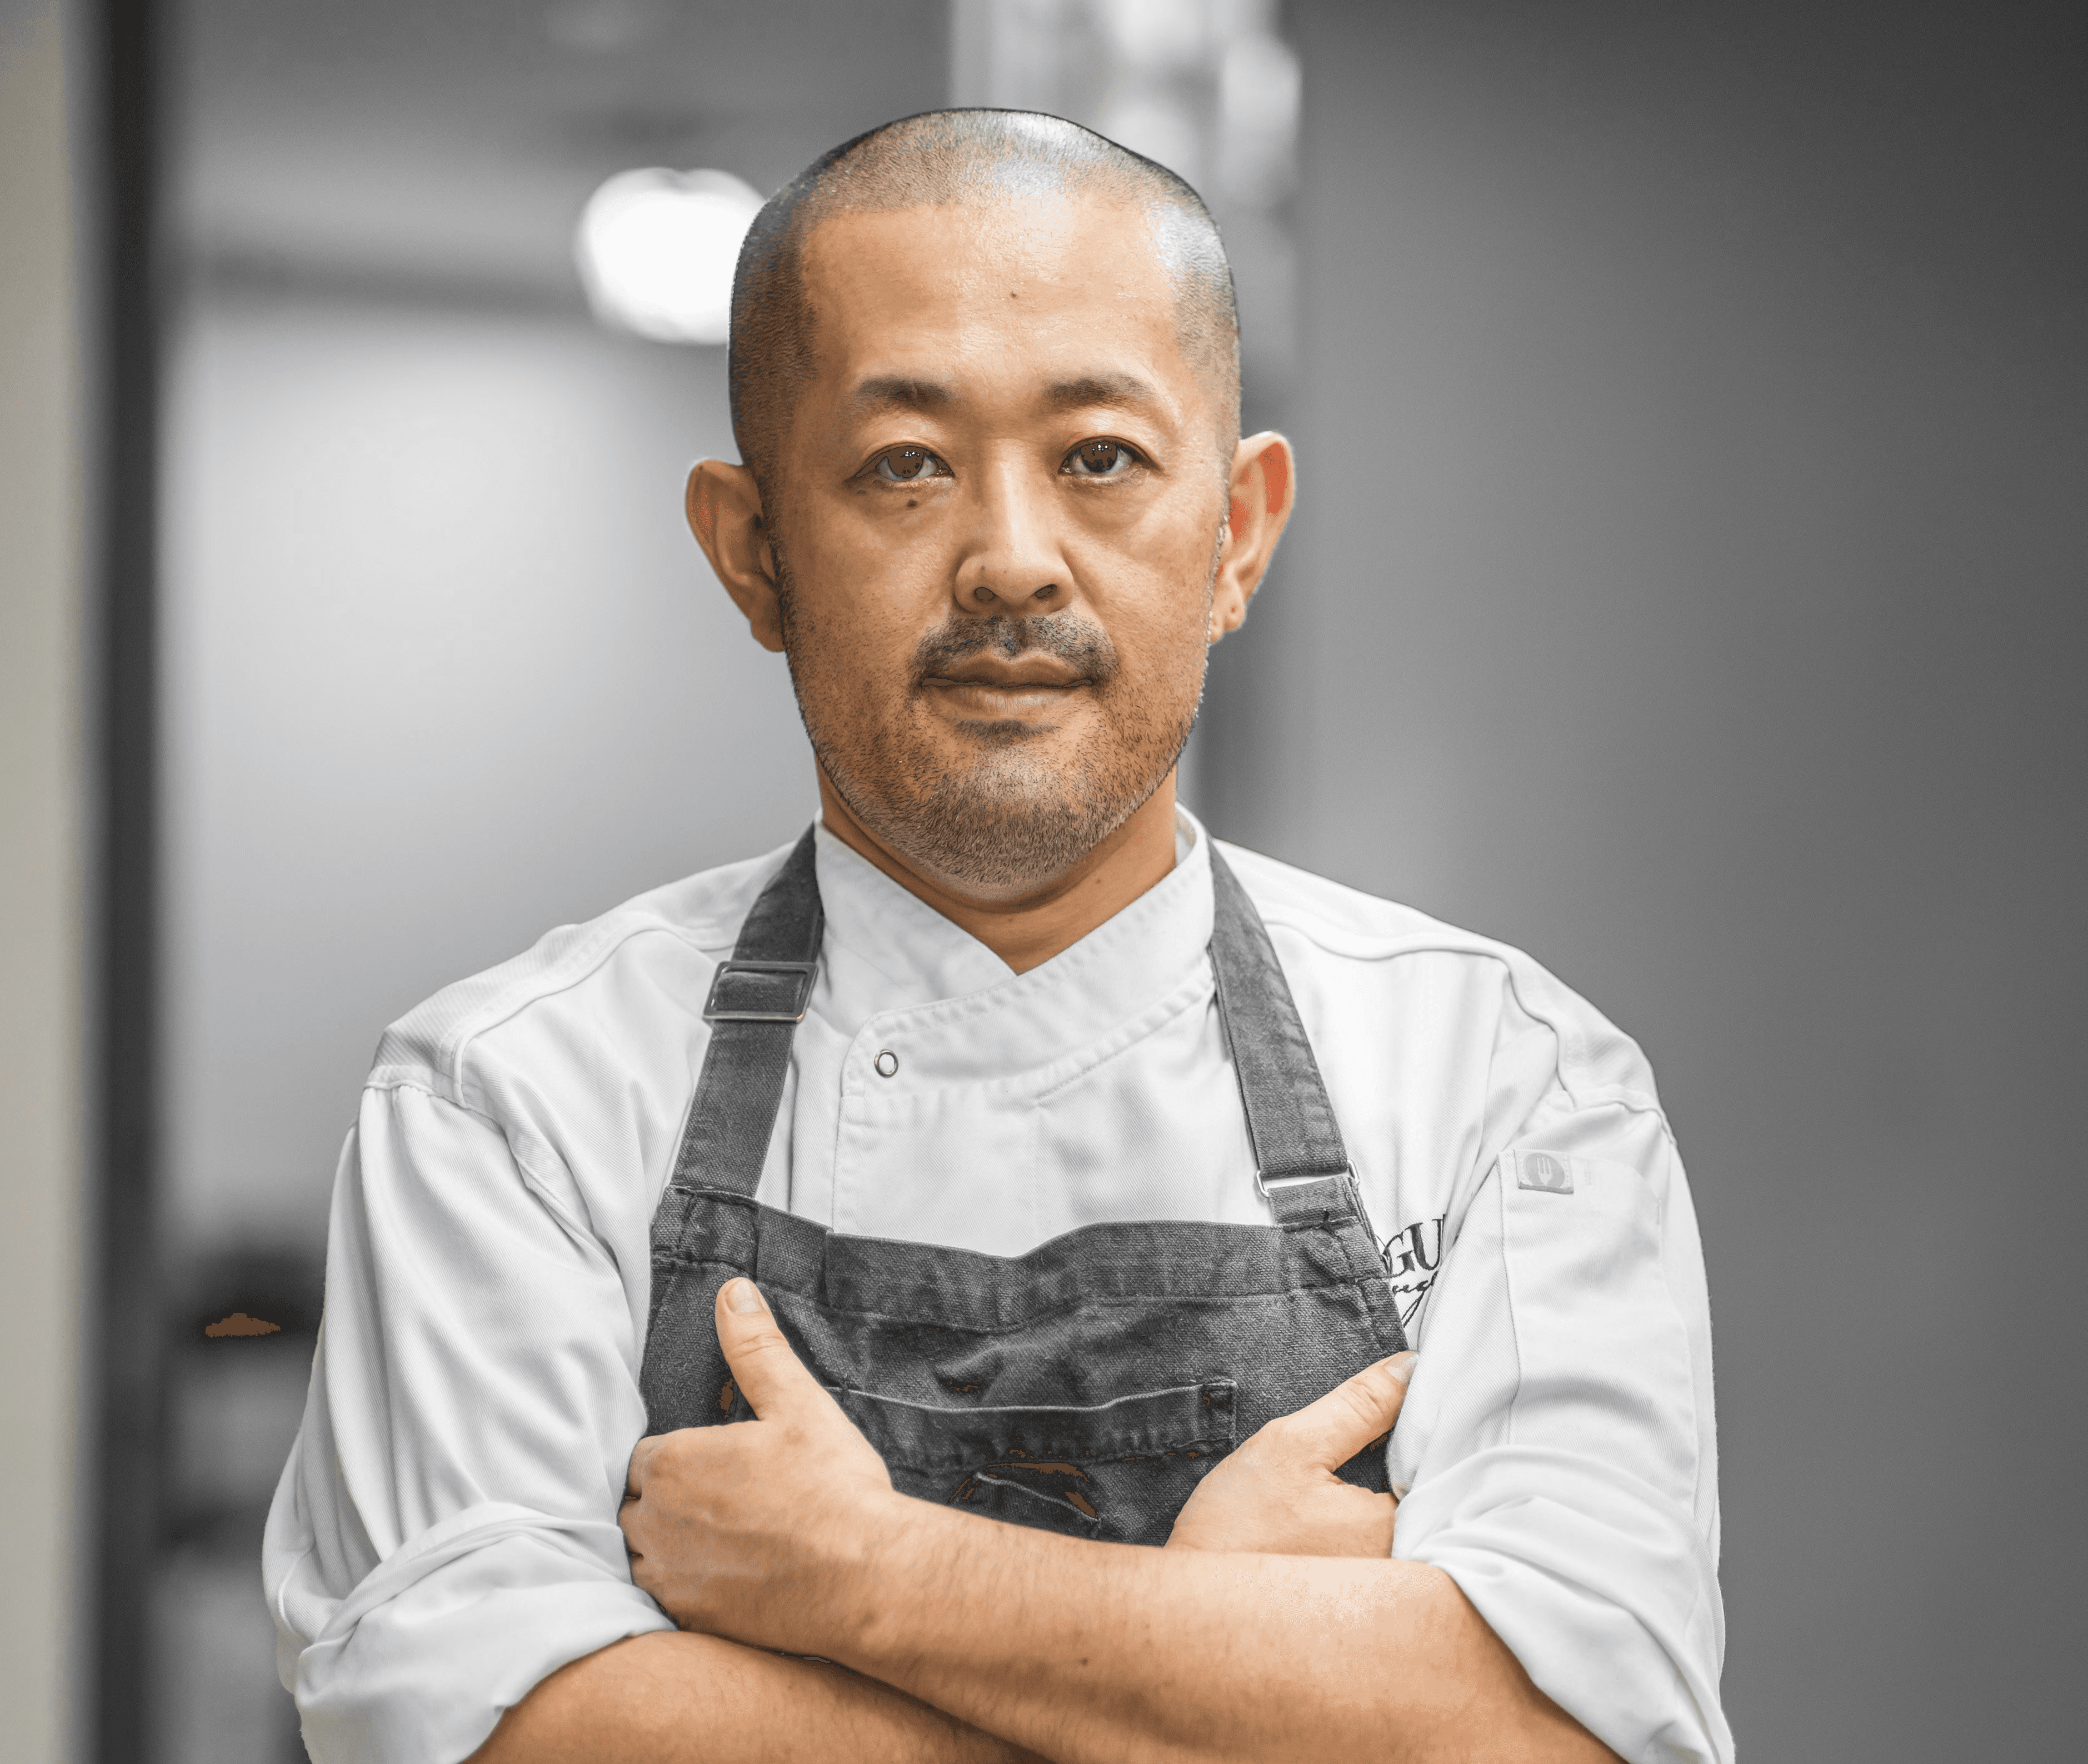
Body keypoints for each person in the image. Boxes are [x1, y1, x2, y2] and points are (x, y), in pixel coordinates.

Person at [266, 110, 1729, 1764]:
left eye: (1098, 455)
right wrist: (1244, 1686)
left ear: (1237, 531)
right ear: (754, 555)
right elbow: (497, 1731)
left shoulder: (1507, 1084)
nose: (1011, 558)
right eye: (904, 465)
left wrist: (867, 1579)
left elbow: (1570, 1737)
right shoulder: (509, 1096)